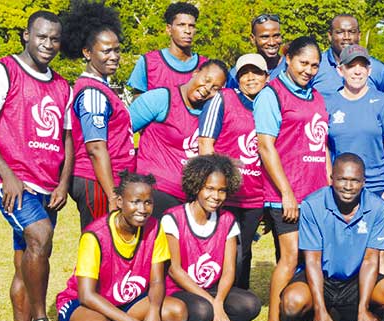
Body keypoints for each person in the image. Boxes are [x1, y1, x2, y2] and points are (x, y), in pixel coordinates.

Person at [0, 10, 73, 321]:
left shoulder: (62, 86)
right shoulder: (3, 72)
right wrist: (7, 174)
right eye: (41, 37)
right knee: (39, 236)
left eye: (54, 39)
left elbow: (67, 138)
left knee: (27, 260)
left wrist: (63, 181)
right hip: (12, 183)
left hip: (47, 185)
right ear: (26, 35)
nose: (48, 45)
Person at [55, 172, 188, 321]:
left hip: (127, 301)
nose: (142, 209)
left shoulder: (155, 228)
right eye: (135, 202)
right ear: (119, 202)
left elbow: (157, 280)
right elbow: (87, 295)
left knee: (177, 313)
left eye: (148, 202)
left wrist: (154, 312)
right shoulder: (95, 235)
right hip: (87, 303)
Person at [280, 154, 384, 321]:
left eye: (354, 180)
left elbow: (370, 261)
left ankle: (363, 319)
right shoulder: (312, 205)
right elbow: (313, 261)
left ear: (364, 182)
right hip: (322, 278)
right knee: (292, 302)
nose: (348, 187)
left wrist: (363, 308)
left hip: (355, 281)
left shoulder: (377, 207)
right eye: (342, 180)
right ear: (332, 179)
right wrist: (319, 310)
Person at [253, 36, 331, 321]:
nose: (309, 70)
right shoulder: (271, 94)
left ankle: (303, 316)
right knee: (289, 258)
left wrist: (328, 180)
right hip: (286, 195)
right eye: (303, 63)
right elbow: (265, 146)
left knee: (312, 257)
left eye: (314, 65)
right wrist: (287, 192)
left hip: (316, 194)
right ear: (288, 59)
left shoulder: (317, 97)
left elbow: (321, 144)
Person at [163, 155, 261, 321]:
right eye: (209, 188)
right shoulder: (173, 218)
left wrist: (219, 301)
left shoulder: (228, 220)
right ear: (197, 185)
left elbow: (229, 270)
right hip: (180, 290)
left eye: (222, 190)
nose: (216, 196)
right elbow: (174, 270)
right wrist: (211, 303)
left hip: (213, 290)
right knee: (203, 311)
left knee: (251, 305)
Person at [61, 2, 136, 230]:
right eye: (106, 51)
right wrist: (112, 193)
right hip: (97, 182)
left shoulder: (101, 87)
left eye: (117, 50)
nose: (114, 56)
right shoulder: (92, 93)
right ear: (87, 52)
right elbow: (95, 148)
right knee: (98, 245)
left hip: (107, 181)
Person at [199, 54, 269, 290]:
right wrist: (213, 186)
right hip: (226, 194)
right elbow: (206, 146)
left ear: (266, 76)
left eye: (256, 73)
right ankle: (217, 300)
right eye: (244, 73)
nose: (250, 78)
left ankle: (241, 301)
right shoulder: (223, 99)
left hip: (255, 196)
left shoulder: (271, 103)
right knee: (225, 249)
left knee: (245, 249)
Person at [129, 60, 228, 217]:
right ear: (195, 73)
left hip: (192, 199)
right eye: (206, 80)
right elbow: (120, 132)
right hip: (155, 191)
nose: (207, 89)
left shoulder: (212, 113)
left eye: (215, 88)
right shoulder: (161, 99)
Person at [326, 44, 384, 212]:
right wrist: (329, 181)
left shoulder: (383, 103)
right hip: (340, 188)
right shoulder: (328, 104)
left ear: (369, 70)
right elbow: (325, 149)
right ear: (340, 70)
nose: (357, 71)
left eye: (362, 66)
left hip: (376, 188)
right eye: (351, 66)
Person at [127, 2, 208, 93]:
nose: (187, 31)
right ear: (169, 29)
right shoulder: (148, 62)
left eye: (191, 26)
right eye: (181, 25)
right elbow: (138, 101)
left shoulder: (205, 65)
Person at [309, 14, 384, 95]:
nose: (346, 37)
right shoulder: (315, 66)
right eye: (340, 32)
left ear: (359, 36)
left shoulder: (377, 69)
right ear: (330, 36)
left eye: (352, 32)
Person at [227, 13, 284, 88]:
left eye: (276, 36)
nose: (272, 42)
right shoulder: (237, 74)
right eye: (265, 37)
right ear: (253, 39)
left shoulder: (291, 68)